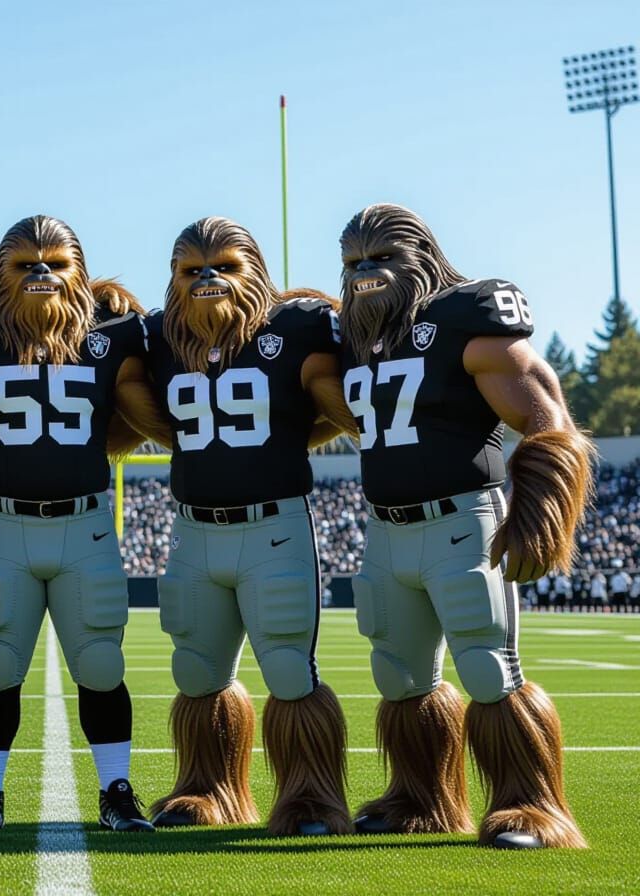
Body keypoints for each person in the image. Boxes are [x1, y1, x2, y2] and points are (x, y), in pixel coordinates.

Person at [338, 203, 592, 849]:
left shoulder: (462, 316)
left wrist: (538, 512)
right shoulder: (354, 336)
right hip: (384, 528)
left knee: (487, 665)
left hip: (462, 518)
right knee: (399, 675)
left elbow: (548, 416)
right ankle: (418, 798)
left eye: (383, 258)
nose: (366, 272)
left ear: (420, 256)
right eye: (354, 261)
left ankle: (533, 807)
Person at [0, 215, 163, 834]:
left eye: (55, 261)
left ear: (79, 269)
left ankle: (116, 790)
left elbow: (142, 417)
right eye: (24, 263)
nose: (42, 273)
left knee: (102, 663)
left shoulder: (114, 333)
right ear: (0, 274)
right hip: (4, 523)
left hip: (85, 523)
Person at [142, 217, 354, 835]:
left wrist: (286, 441)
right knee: (198, 672)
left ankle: (312, 798)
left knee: (290, 670)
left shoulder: (297, 327)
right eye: (192, 270)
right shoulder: (157, 339)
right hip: (193, 528)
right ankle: (206, 790)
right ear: (173, 281)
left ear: (255, 272)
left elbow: (341, 404)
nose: (208, 278)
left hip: (275, 527)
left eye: (226, 266)